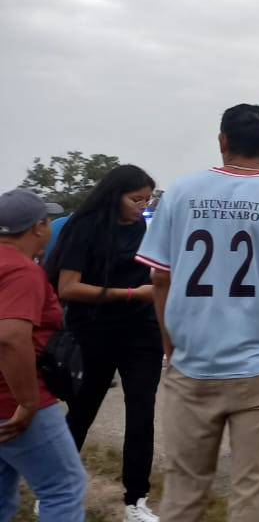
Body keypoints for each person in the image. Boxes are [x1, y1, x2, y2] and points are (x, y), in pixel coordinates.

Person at [136, 104, 259, 521]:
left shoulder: (181, 193)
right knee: (254, 498)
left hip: (192, 365)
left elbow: (160, 280)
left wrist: (171, 345)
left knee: (183, 494)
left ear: (222, 141)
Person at [42, 164, 162, 522]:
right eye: (135, 198)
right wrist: (130, 293)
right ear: (114, 195)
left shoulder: (142, 226)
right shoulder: (84, 227)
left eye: (147, 199)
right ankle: (53, 489)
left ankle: (135, 500)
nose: (142, 205)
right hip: (93, 330)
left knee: (142, 412)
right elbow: (68, 288)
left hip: (141, 331)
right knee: (82, 411)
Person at [0, 189, 87, 522]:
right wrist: (28, 401)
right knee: (63, 487)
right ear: (38, 227)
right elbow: (9, 338)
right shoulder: (22, 271)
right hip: (14, 401)